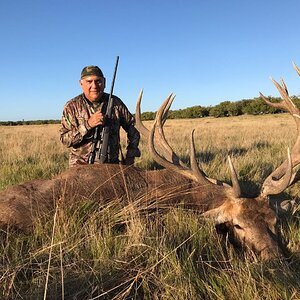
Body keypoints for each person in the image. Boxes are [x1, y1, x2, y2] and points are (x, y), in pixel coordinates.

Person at [60, 65, 140, 167]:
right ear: (81, 83)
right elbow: (65, 140)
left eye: (98, 81)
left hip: (111, 168)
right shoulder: (71, 107)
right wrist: (88, 125)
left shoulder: (116, 103)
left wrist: (130, 156)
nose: (94, 86)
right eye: (89, 81)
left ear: (104, 82)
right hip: (80, 170)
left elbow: (133, 128)